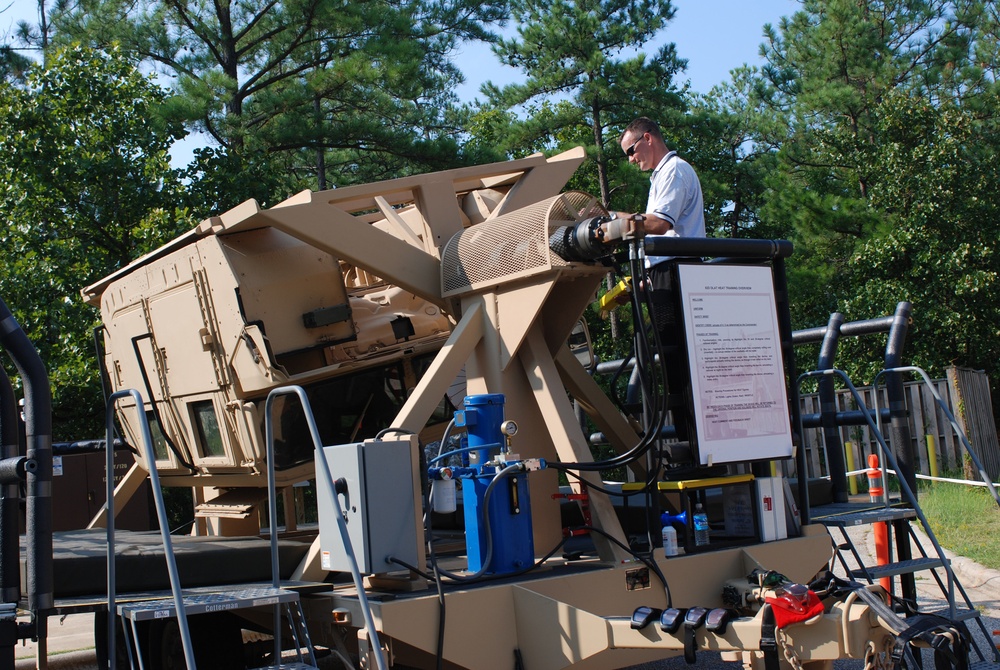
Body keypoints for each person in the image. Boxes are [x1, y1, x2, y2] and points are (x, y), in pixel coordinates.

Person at [612, 117, 706, 452]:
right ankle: (688, 442)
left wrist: (612, 219)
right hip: (665, 274)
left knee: (677, 362)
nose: (631, 160)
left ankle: (693, 444)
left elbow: (659, 224)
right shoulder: (662, 176)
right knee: (671, 364)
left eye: (631, 151)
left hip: (678, 273)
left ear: (648, 138)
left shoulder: (674, 171)